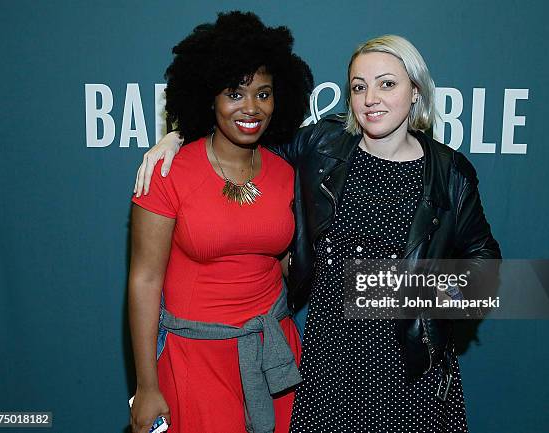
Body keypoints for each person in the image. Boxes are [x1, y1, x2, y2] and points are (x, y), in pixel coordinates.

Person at [135, 35, 501, 433]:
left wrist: (383, 290)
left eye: (387, 84)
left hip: (410, 370)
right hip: (329, 367)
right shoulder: (321, 146)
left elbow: (486, 273)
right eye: (359, 87)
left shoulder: (450, 173)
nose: (371, 98)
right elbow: (245, 130)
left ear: (416, 91)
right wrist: (178, 136)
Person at [128, 11, 313, 433]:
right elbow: (144, 281)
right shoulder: (167, 173)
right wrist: (147, 385)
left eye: (264, 94)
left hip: (274, 356)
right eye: (235, 93)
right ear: (208, 98)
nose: (252, 108)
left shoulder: (287, 174)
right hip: (194, 359)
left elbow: (289, 263)